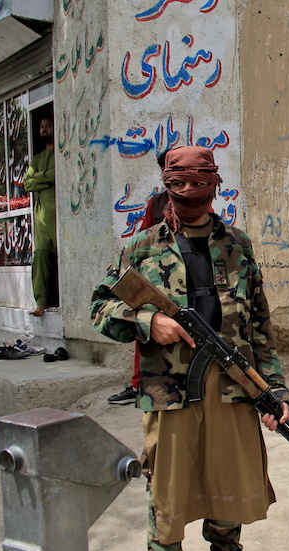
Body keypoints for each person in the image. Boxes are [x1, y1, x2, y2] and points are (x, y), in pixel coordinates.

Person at [91, 146, 289, 551]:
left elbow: (260, 325)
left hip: (233, 388)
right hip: (169, 391)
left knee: (228, 487)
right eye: (183, 189)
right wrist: (147, 321)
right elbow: (99, 309)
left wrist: (275, 387)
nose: (194, 198)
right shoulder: (141, 249)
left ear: (215, 188)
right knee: (169, 493)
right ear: (168, 190)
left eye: (203, 188)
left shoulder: (238, 246)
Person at [108, 152, 172, 406]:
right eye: (167, 169)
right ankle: (138, 385)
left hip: (189, 281)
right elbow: (143, 238)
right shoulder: (155, 203)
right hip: (156, 279)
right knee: (145, 328)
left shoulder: (198, 201)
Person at [23, 118, 58, 317]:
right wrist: (46, 176)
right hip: (42, 216)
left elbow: (58, 174)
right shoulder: (36, 159)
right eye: (41, 126)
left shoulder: (59, 154)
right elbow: (27, 184)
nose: (44, 129)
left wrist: (39, 177)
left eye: (48, 125)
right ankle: (41, 303)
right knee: (41, 256)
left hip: (58, 215)